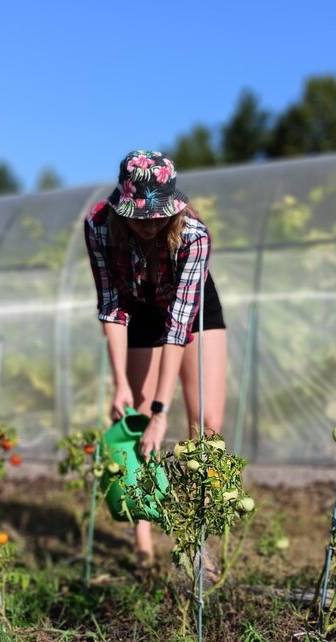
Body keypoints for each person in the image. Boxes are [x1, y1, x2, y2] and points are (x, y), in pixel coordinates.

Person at [84, 150, 228, 567]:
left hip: (192, 310)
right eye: (139, 216)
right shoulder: (98, 227)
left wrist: (165, 409)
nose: (149, 225)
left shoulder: (195, 235)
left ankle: (200, 537)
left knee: (206, 423)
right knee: (137, 418)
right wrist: (121, 385)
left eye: (158, 216)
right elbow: (111, 305)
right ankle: (142, 538)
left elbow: (179, 324)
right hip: (137, 307)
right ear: (121, 206)